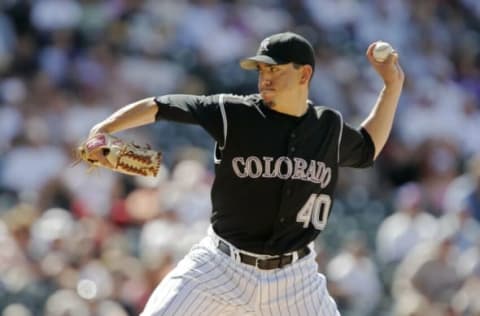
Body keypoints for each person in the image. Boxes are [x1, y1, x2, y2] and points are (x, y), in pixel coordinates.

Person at [87, 32, 404, 315]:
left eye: (274, 69)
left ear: (304, 74)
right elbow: (162, 105)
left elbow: (366, 148)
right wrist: (105, 128)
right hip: (220, 266)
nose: (264, 77)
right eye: (262, 70)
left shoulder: (327, 127)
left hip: (295, 278)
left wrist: (392, 86)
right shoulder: (234, 113)